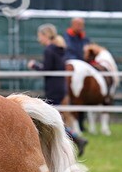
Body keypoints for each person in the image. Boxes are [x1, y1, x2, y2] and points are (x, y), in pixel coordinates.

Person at [28, 23, 87, 156]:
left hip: (53, 88)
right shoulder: (60, 49)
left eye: (40, 36)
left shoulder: (49, 50)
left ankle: (76, 138)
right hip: (60, 86)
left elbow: (47, 70)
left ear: (45, 35)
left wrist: (35, 66)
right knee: (54, 116)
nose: (39, 40)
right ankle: (74, 138)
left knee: (52, 117)